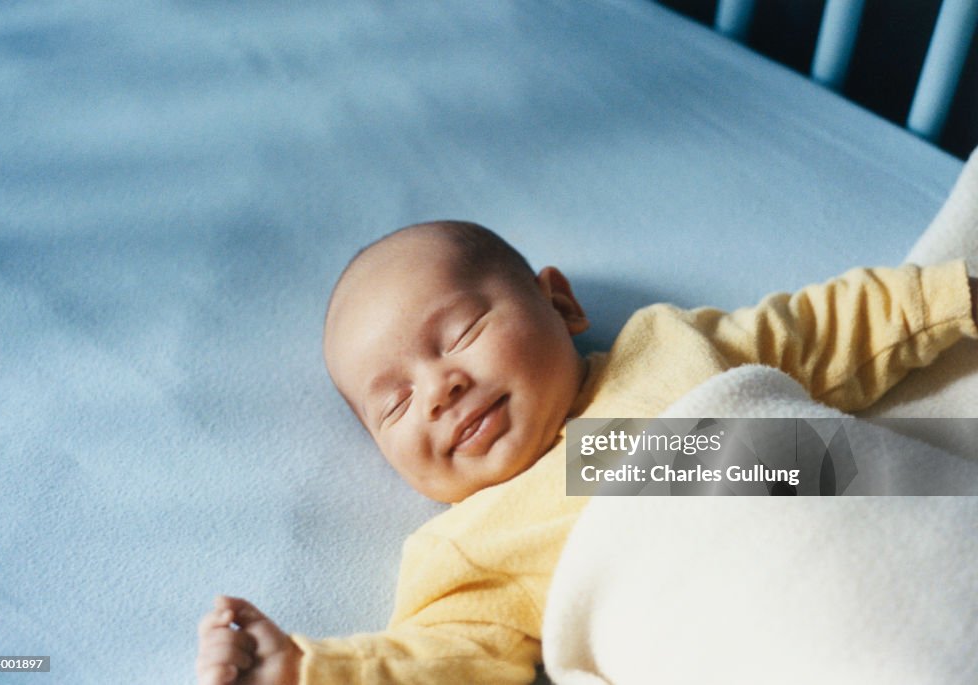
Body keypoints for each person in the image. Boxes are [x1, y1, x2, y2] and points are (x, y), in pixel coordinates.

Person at [196, 220, 978, 685]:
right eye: (395, 402)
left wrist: (951, 296)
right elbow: (441, 662)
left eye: (462, 331)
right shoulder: (470, 544)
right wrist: (309, 667)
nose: (439, 389)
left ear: (561, 303)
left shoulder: (667, 347)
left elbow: (824, 327)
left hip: (907, 538)